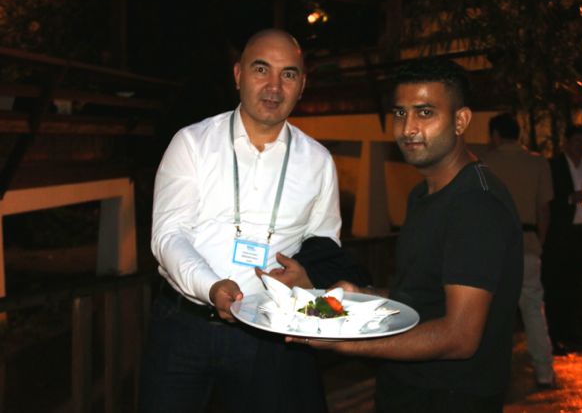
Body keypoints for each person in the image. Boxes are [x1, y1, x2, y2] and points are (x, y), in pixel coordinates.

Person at [290, 58, 524, 412]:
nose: (408, 128)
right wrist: (361, 295)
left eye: (425, 113)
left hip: (450, 397)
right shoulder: (423, 194)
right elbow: (424, 296)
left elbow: (460, 337)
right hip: (407, 388)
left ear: (461, 120)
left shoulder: (476, 204)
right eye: (400, 113)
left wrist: (345, 342)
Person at [139, 28, 343, 413]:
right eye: (261, 69)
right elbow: (168, 235)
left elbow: (325, 242)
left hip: (268, 334)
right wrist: (212, 286)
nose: (274, 86)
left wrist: (308, 276)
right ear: (238, 75)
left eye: (288, 74)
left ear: (302, 85)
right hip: (184, 326)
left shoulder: (318, 161)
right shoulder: (192, 143)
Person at [482, 113, 556, 388]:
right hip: (528, 242)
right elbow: (543, 209)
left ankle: (494, 374)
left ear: (496, 135)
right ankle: (544, 371)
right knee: (534, 310)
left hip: (494, 247)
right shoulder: (537, 162)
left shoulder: (484, 163)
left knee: (495, 314)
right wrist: (540, 241)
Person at [541, 124, 582, 353]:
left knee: (575, 285)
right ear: (566, 143)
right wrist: (568, 199)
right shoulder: (553, 166)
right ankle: (554, 335)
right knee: (556, 286)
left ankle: (571, 331)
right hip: (561, 234)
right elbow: (545, 200)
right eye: (577, 142)